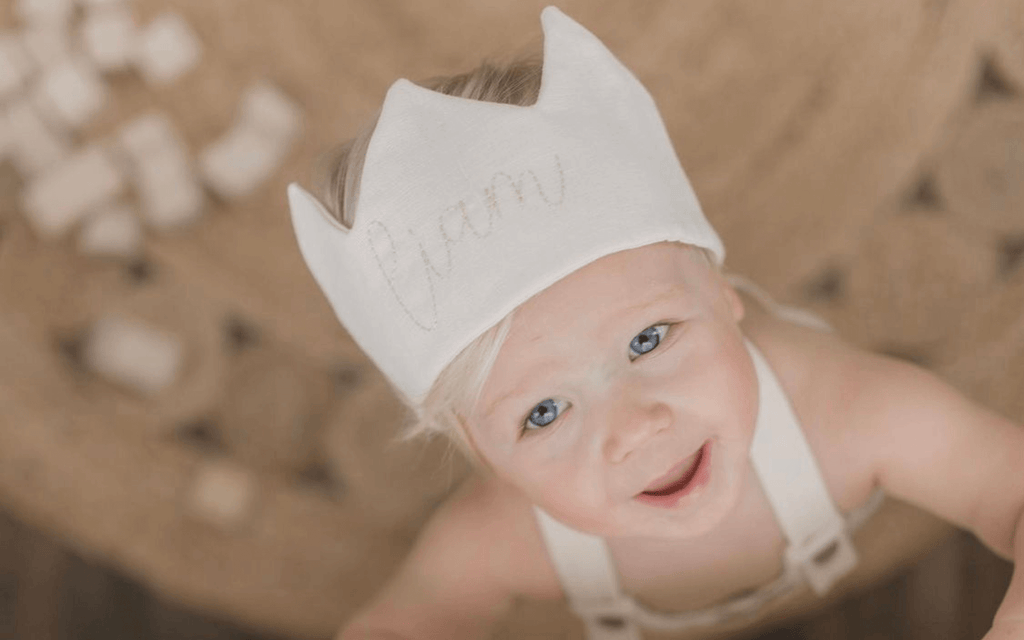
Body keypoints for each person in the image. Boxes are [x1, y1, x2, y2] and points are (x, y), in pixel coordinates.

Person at [287, 7, 1024, 640]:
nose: (635, 426)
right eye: (543, 413)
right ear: (481, 454)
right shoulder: (505, 535)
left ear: (724, 293)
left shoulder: (849, 415)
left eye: (648, 339)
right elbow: (407, 618)